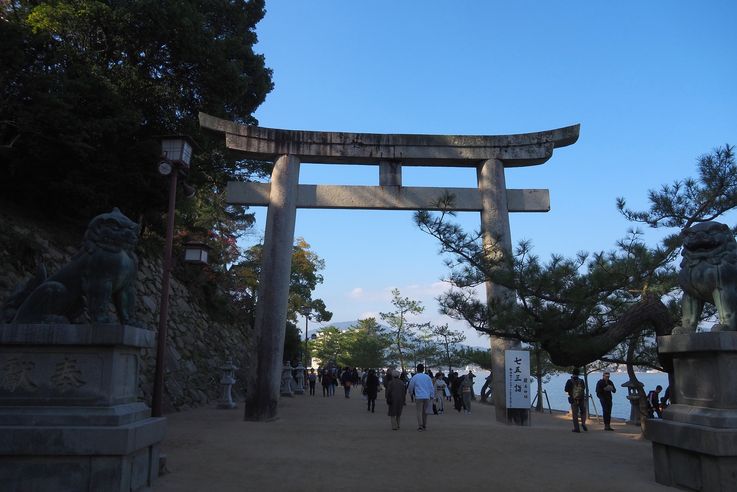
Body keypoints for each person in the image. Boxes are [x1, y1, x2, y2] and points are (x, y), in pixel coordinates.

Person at [407, 363, 434, 431]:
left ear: (417, 369)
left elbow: (411, 386)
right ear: (423, 369)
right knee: (425, 412)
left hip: (418, 396)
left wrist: (410, 392)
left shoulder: (415, 377)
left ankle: (420, 426)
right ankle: (424, 425)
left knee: (419, 411)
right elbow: (431, 387)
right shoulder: (427, 377)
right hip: (426, 396)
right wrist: (432, 395)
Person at [564, 368, 588, 432]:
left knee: (575, 414)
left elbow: (566, 389)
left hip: (573, 399)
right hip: (581, 399)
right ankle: (583, 423)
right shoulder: (581, 380)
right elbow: (583, 388)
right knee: (583, 412)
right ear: (579, 374)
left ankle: (576, 428)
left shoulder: (569, 381)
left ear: (572, 373)